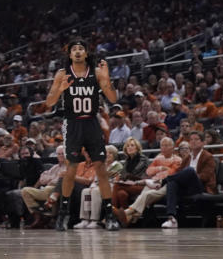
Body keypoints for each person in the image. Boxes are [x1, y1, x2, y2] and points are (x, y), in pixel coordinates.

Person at [43, 39, 119, 230]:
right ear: (69, 55)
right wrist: (60, 90)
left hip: (92, 123)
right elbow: (49, 103)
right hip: (73, 123)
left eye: (81, 49)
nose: (77, 52)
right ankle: (63, 214)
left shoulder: (96, 72)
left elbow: (113, 98)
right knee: (70, 170)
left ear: (86, 54)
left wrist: (107, 78)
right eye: (74, 49)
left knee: (101, 169)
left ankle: (109, 216)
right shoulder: (62, 74)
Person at [160, 131, 216, 228]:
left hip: (200, 186)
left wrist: (190, 176)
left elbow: (206, 176)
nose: (193, 142)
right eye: (191, 140)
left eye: (196, 139)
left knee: (190, 171)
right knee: (172, 183)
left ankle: (164, 180)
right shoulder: (188, 157)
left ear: (203, 143)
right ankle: (171, 218)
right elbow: (178, 172)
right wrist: (184, 177)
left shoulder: (208, 157)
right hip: (187, 188)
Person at [74, 145, 123, 228]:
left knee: (95, 191)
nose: (107, 155)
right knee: (86, 191)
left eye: (110, 153)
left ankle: (95, 220)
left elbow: (115, 180)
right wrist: (92, 186)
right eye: (106, 153)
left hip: (111, 187)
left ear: (114, 155)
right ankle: (85, 219)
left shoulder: (117, 165)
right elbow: (95, 180)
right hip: (98, 186)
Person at [112, 137, 149, 209]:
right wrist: (120, 177)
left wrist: (123, 177)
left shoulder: (143, 159)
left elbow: (134, 174)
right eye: (128, 146)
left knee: (116, 186)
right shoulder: (127, 161)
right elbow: (124, 175)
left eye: (132, 145)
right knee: (121, 194)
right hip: (129, 185)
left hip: (141, 185)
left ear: (137, 148)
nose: (129, 147)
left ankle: (111, 213)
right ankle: (126, 218)